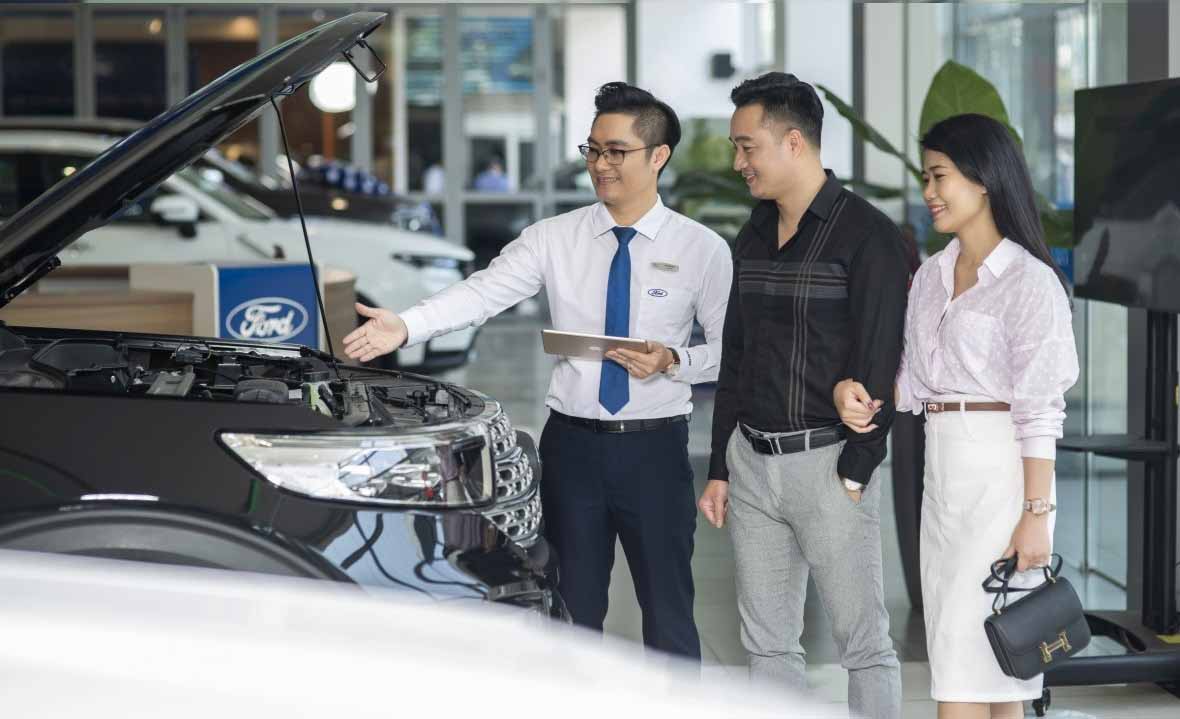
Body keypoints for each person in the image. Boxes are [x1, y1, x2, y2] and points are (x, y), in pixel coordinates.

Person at [343, 82, 732, 661]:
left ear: (659, 156)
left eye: (616, 151)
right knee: (571, 614)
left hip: (655, 451)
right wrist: (406, 326)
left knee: (669, 612)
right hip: (573, 450)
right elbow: (481, 293)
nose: (600, 164)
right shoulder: (554, 238)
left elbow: (728, 352)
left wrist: (674, 361)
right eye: (592, 149)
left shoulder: (703, 249)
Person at [833, 113, 1079, 719]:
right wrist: (857, 394)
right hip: (942, 473)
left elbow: (1041, 409)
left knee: (974, 668)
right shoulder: (932, 276)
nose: (929, 192)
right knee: (984, 660)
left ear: (984, 179)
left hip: (1002, 474)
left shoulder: (1030, 282)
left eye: (940, 176)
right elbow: (913, 383)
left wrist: (1036, 515)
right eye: (926, 177)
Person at [698, 71, 907, 718]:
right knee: (767, 645)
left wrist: (856, 472)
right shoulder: (754, 233)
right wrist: (720, 465)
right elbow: (736, 356)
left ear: (794, 142)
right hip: (752, 464)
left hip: (828, 465)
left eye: (747, 146)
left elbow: (881, 364)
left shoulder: (868, 236)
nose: (739, 162)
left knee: (863, 645)